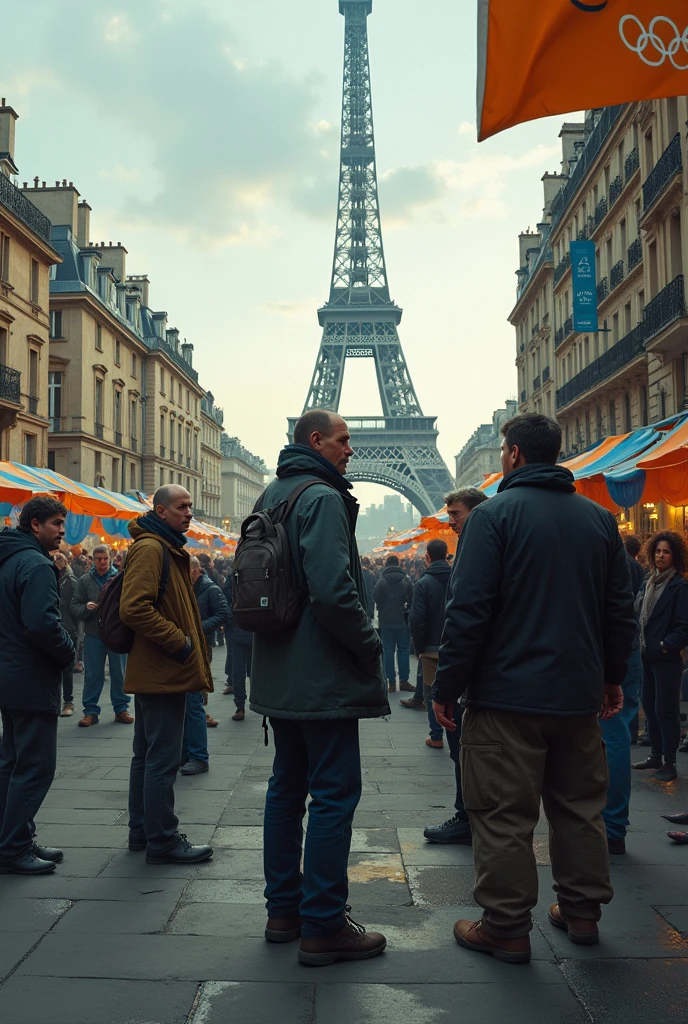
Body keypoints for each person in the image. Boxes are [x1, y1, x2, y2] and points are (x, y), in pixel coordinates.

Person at [432, 413, 635, 964]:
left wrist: (447, 685)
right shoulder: (600, 520)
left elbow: (468, 612)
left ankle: (505, 926)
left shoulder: (491, 518)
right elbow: (620, 612)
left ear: (514, 454)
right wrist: (611, 675)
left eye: (502, 450)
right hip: (576, 695)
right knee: (579, 808)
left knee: (502, 813)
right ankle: (582, 910)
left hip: (506, 697)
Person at [250, 409, 388, 966]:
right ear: (317, 440)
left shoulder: (272, 493)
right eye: (344, 440)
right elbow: (333, 591)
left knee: (286, 788)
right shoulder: (324, 497)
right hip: (322, 673)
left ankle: (283, 911)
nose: (350, 449)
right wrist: (369, 644)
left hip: (279, 668)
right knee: (333, 793)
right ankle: (325, 923)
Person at [120, 486, 214, 865]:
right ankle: (162, 839)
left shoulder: (164, 546)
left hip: (158, 668)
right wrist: (180, 642)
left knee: (146, 755)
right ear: (161, 511)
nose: (189, 512)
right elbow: (134, 608)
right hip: (163, 669)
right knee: (162, 758)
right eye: (182, 506)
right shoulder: (152, 548)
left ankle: (142, 832)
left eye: (190, 505)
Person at [0, 497, 75, 874]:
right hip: (30, 677)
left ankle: (14, 838)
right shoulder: (35, 564)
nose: (62, 530)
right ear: (35, 526)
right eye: (56, 523)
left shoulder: (10, 557)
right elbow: (42, 624)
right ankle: (13, 848)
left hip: (10, 675)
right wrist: (69, 651)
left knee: (12, 763)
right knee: (35, 767)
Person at [422, 488, 488, 845]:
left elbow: (463, 619)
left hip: (476, 674)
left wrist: (444, 688)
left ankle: (468, 817)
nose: (451, 521)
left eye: (456, 514)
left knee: (463, 747)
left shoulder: (476, 550)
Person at [632, 531, 688, 783]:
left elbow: (684, 625)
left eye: (665, 552)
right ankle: (655, 754)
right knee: (651, 707)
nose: (660, 555)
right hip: (646, 654)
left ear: (674, 556)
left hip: (666, 658)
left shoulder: (679, 586)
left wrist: (667, 645)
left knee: (666, 710)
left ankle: (670, 761)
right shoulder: (648, 581)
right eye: (657, 551)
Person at [601, 543, 646, 855]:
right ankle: (613, 824)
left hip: (606, 655)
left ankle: (611, 825)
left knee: (611, 733)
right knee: (616, 733)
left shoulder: (594, 556)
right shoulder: (630, 564)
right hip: (628, 652)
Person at [71, 545, 132, 728]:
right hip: (93, 634)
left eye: (105, 558)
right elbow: (74, 606)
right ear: (93, 559)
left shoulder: (119, 578)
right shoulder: (85, 580)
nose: (102, 562)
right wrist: (85, 608)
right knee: (92, 674)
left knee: (119, 673)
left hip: (116, 633)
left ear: (110, 558)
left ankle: (121, 708)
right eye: (98, 559)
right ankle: (90, 711)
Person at [181, 556, 231, 775]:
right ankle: (185, 753)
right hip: (185, 647)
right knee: (184, 703)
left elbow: (224, 614)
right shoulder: (186, 588)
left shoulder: (210, 589)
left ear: (195, 571)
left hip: (201, 648)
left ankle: (199, 756)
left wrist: (199, 629)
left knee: (193, 702)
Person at [404, 540, 451, 736]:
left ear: (427, 558)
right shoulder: (458, 578)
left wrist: (419, 647)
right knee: (454, 688)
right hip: (455, 646)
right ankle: (454, 732)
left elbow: (417, 618)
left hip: (430, 648)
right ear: (447, 555)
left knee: (430, 689)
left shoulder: (423, 583)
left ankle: (436, 735)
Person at [373, 554, 413, 692]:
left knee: (388, 651)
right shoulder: (406, 579)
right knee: (404, 650)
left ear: (386, 564)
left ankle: (391, 682)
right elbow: (413, 598)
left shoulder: (382, 581)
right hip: (402, 620)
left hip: (386, 620)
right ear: (398, 564)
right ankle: (404, 681)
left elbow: (376, 597)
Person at [53, 552, 78, 717]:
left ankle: (68, 701)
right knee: (50, 668)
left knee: (67, 668)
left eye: (58, 560)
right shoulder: (45, 577)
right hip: (50, 628)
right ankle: (53, 702)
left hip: (68, 628)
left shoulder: (71, 581)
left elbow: (74, 607)